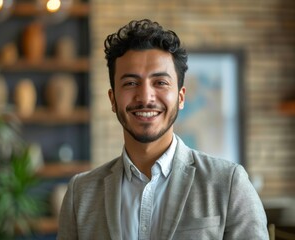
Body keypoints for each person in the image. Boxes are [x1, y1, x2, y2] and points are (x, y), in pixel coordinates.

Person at [58, 19, 269, 240]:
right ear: (113, 99)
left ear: (180, 97)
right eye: (130, 83)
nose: (146, 97)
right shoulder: (80, 193)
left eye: (160, 82)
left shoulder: (229, 183)